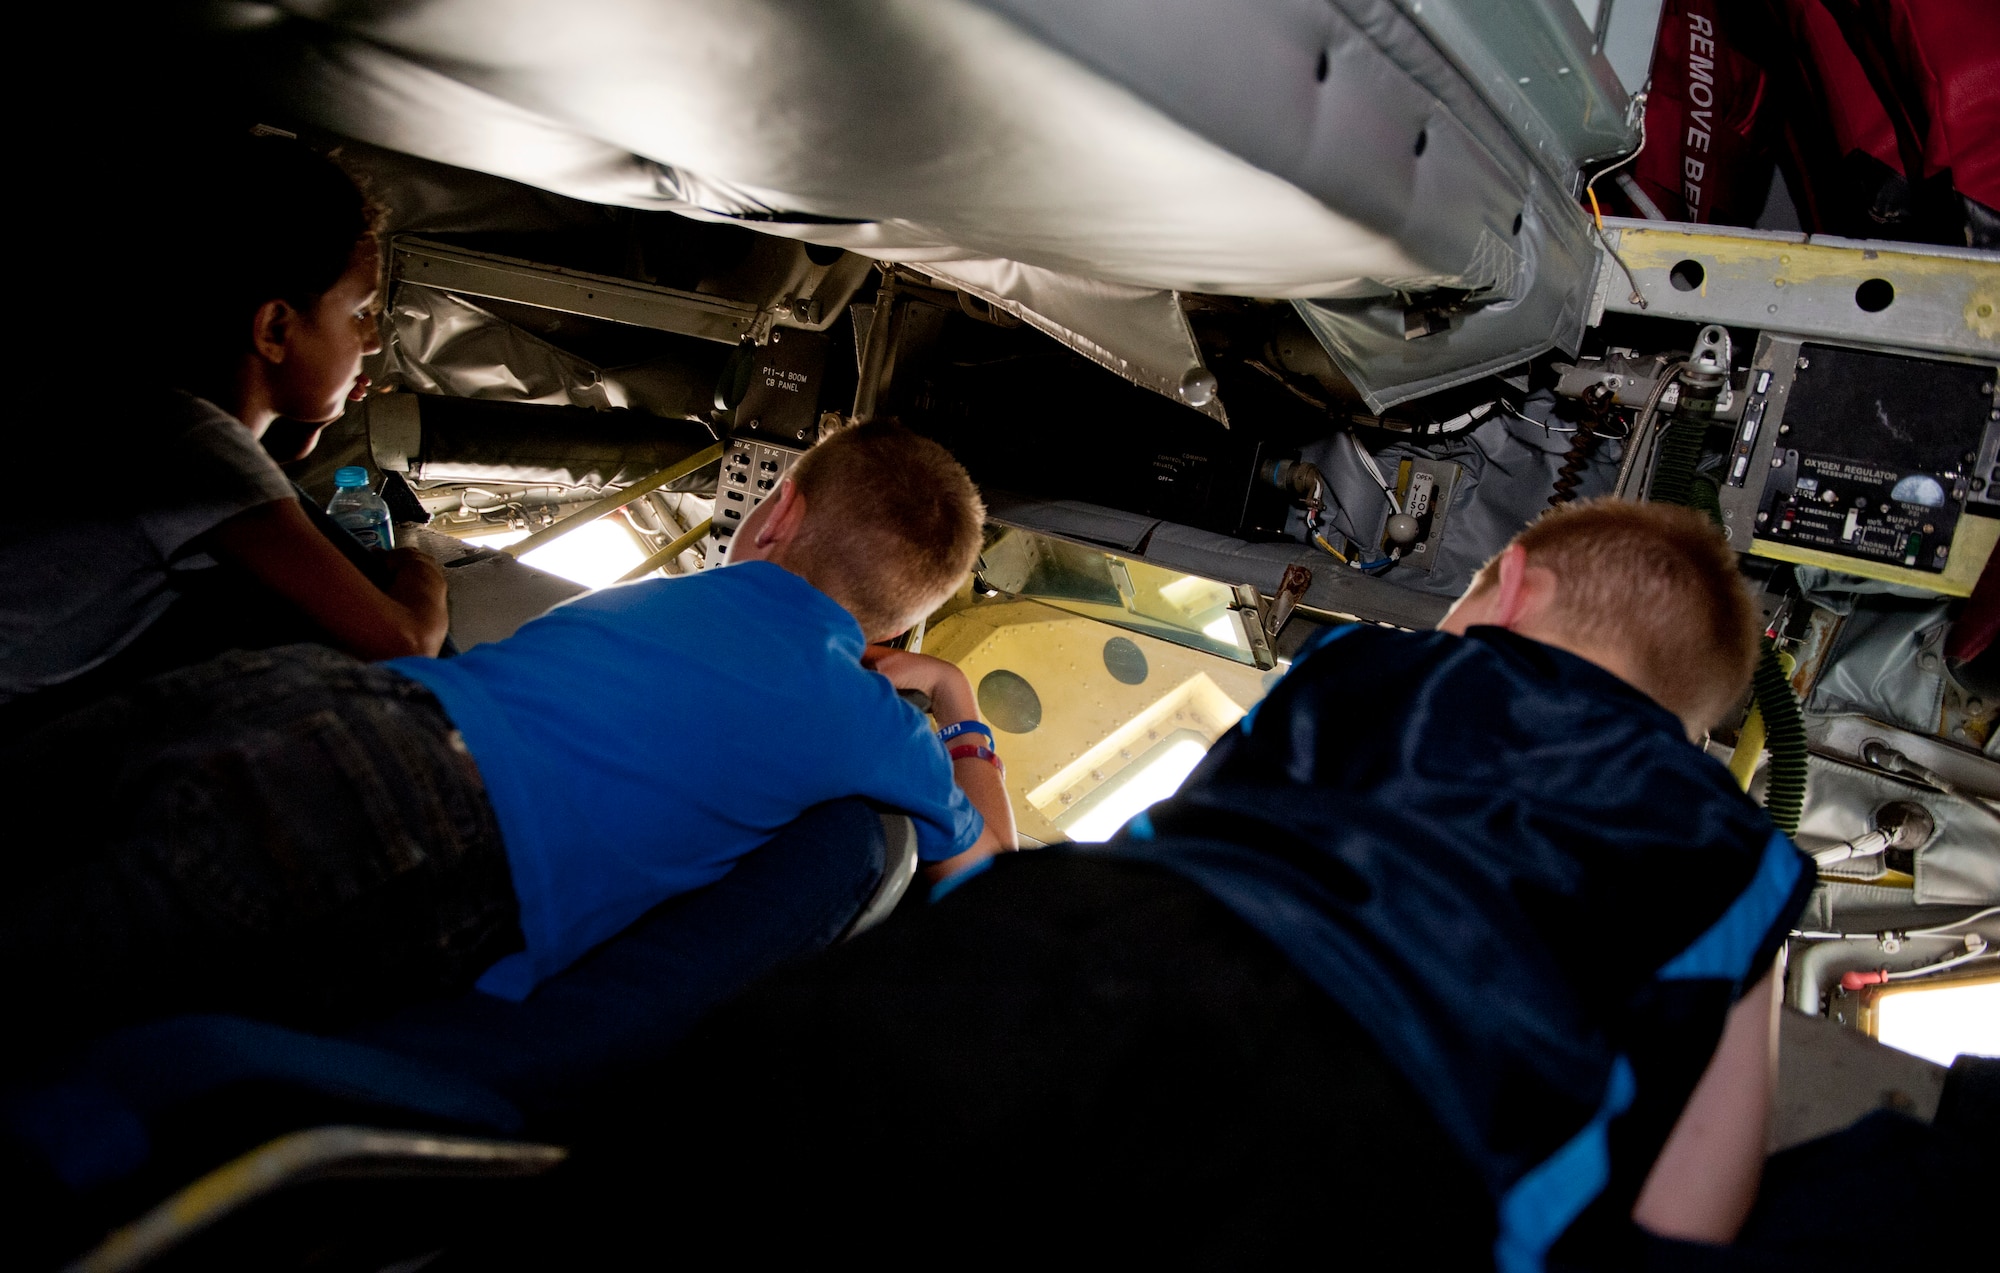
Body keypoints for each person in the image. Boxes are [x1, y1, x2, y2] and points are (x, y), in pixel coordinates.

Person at [488, 499, 1813, 1272]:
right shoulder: (1744, 854)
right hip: (1398, 1144)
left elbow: (1197, 823)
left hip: (1093, 955)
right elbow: (1691, 1211)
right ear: (1694, 726)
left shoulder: (1374, 666)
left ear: (1506, 585)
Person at [0, 422, 1012, 1058]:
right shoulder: (865, 720)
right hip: (421, 826)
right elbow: (990, 884)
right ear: (892, 627)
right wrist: (954, 694)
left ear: (776, 511)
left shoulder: (656, 599)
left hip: (317, 700)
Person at [0, 134, 448, 728]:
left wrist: (300, 429)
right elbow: (404, 645)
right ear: (275, 329)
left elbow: (243, 492)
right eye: (359, 312)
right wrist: (422, 573)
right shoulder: (190, 445)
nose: (370, 341)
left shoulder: (135, 413)